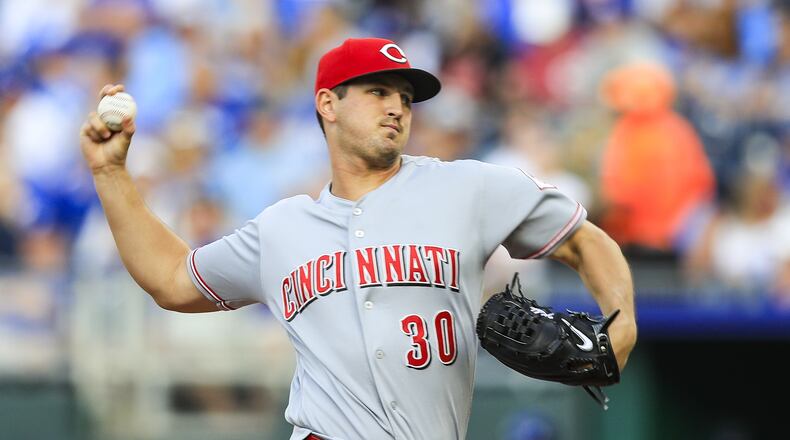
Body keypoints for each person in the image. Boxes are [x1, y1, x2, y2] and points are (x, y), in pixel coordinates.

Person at [79, 37, 637, 440]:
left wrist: (623, 322)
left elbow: (583, 240)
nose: (397, 106)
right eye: (377, 91)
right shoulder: (282, 228)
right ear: (328, 104)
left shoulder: (469, 186)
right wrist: (111, 175)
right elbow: (173, 280)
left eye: (405, 97)